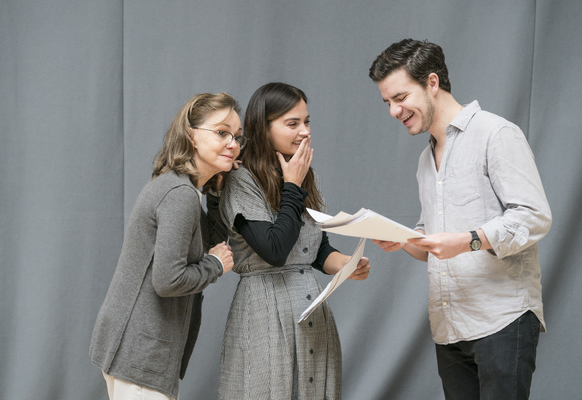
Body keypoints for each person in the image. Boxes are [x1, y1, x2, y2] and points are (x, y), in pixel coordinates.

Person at [368, 39, 552, 400]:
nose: (393, 111)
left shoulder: (495, 134)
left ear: (432, 83)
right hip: (449, 328)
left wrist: (469, 239)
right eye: (387, 102)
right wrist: (404, 239)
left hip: (502, 319)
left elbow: (533, 217)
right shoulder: (425, 160)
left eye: (400, 98)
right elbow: (433, 243)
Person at [217, 82, 371, 400]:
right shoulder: (241, 180)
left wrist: (346, 264)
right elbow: (275, 250)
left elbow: (315, 249)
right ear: (263, 127)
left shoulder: (301, 175)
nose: (304, 131)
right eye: (292, 124)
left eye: (307, 121)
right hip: (265, 312)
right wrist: (292, 187)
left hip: (310, 311)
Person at [90, 92, 246, 400]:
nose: (233, 142)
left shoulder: (185, 190)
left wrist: (216, 192)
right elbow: (168, 280)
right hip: (139, 353)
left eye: (238, 137)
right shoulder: (179, 194)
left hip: (138, 350)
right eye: (222, 132)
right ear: (191, 136)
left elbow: (211, 244)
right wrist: (216, 266)